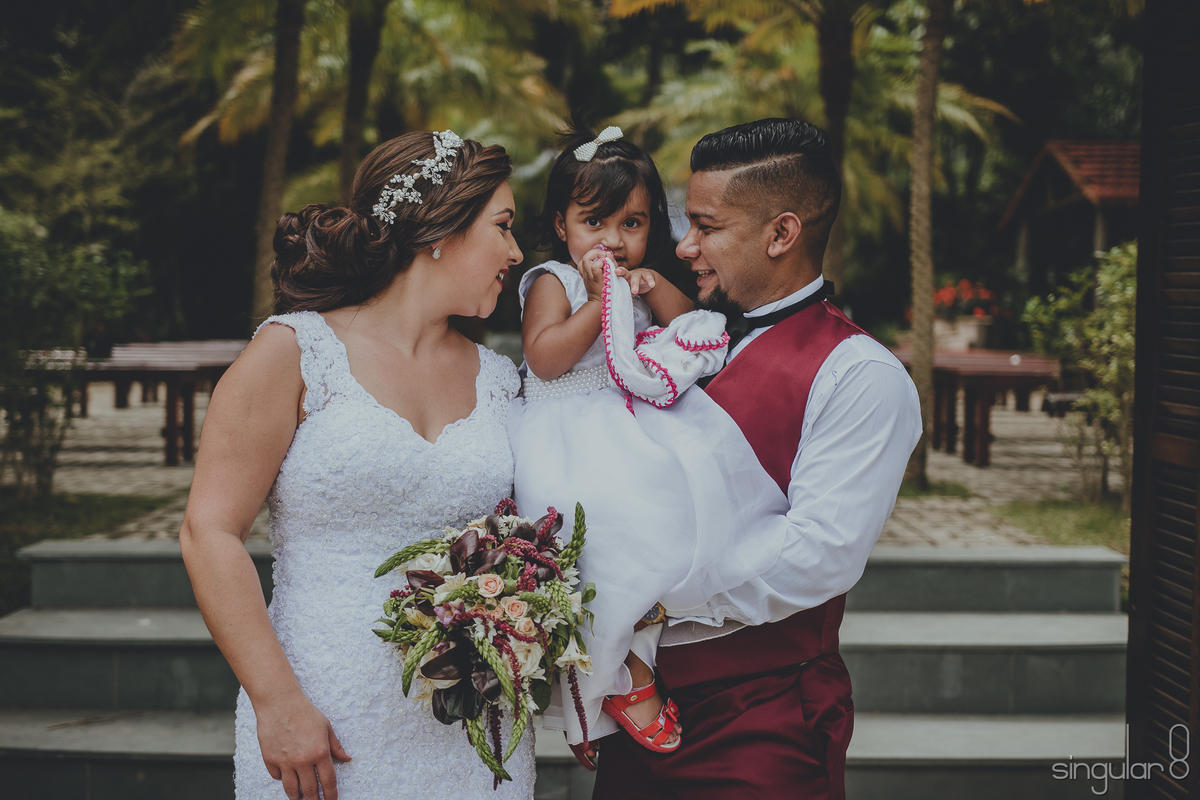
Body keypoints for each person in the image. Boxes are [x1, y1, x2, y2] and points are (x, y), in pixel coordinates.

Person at [179, 130, 535, 800]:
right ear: (442, 227)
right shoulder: (295, 351)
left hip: (471, 736)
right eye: (504, 227)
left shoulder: (502, 381)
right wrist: (276, 701)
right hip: (320, 727)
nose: (516, 253)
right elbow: (209, 533)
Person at [589, 119, 922, 799]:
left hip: (762, 722)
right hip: (634, 716)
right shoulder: (673, 339)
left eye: (706, 227)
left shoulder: (860, 375)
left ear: (781, 233)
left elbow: (819, 552)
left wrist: (641, 588)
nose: (683, 246)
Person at [508, 124, 790, 761]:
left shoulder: (639, 274)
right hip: (566, 434)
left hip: (631, 424)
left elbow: (689, 316)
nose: (613, 239)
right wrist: (600, 298)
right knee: (598, 553)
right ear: (561, 226)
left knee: (660, 530)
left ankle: (623, 664)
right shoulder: (555, 280)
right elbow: (546, 358)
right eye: (595, 222)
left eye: (632, 223)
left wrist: (648, 284)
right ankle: (605, 680)